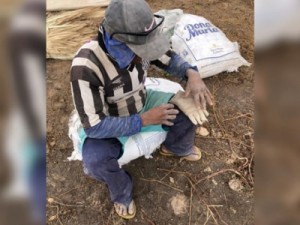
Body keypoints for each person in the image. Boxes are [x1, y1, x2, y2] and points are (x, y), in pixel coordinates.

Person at [70, 0, 213, 219]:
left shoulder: (140, 41)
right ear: (119, 40)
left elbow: (167, 58)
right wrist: (143, 120)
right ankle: (122, 192)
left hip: (140, 100)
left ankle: (176, 147)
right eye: (142, 49)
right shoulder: (86, 66)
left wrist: (192, 74)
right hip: (111, 118)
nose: (146, 54)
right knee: (95, 161)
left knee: (187, 108)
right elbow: (95, 126)